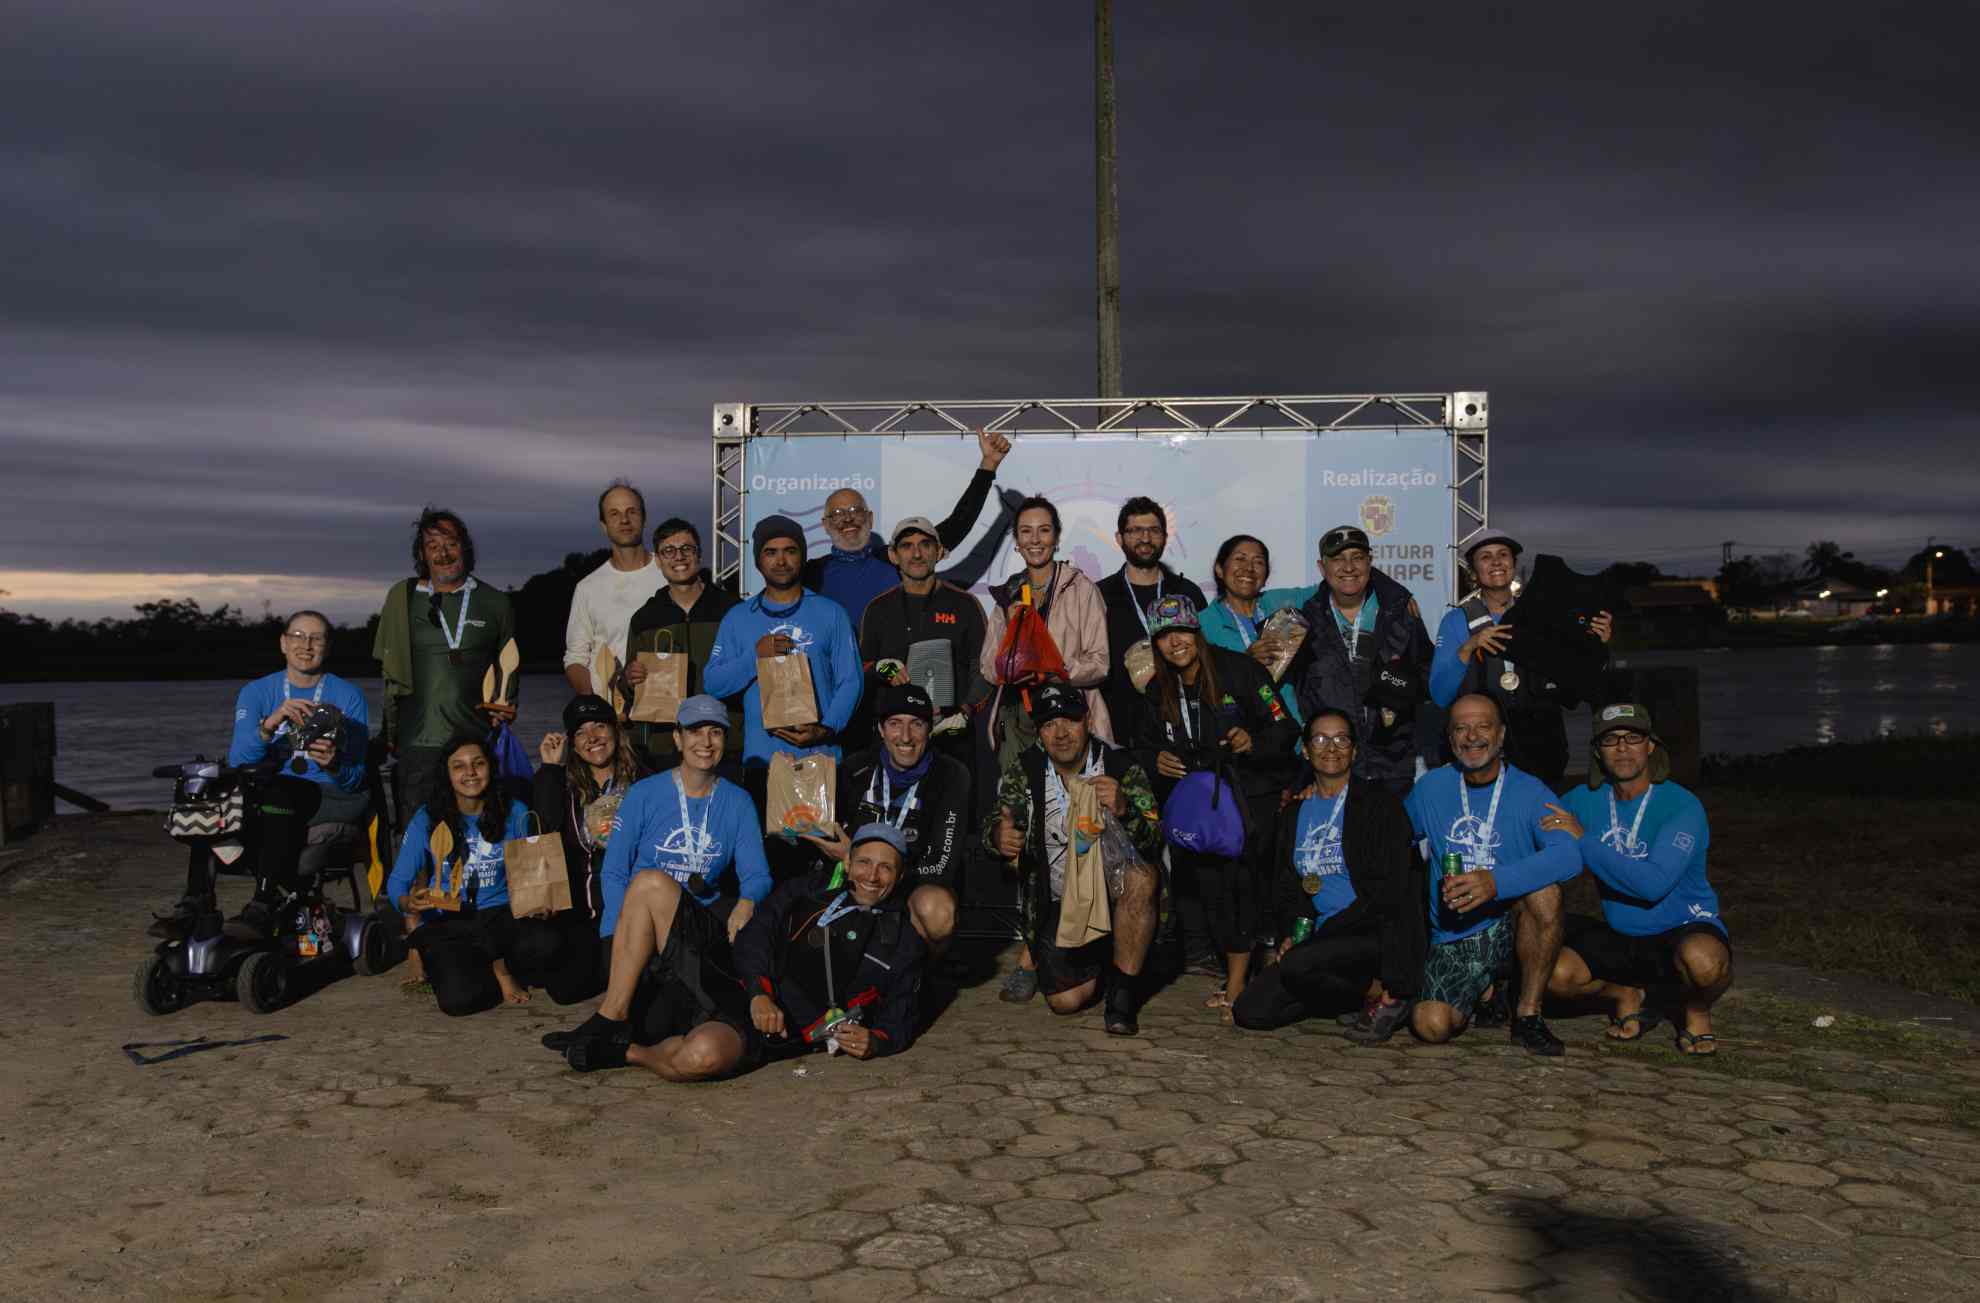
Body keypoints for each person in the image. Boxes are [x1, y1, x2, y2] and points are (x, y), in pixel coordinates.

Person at [548, 822, 926, 1077]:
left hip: (773, 1026)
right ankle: (610, 1019)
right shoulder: (810, 889)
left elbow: (904, 1010)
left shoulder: (902, 939)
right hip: (734, 979)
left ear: (899, 876)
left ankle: (624, 1052)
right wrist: (759, 992)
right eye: (864, 862)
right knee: (650, 883)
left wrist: (877, 1042)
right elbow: (755, 934)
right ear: (848, 862)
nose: (871, 876)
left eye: (885, 868)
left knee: (700, 1057)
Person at [153, 611, 372, 941]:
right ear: (283, 643)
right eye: (298, 636)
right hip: (268, 788)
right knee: (209, 793)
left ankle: (264, 902)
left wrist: (334, 764)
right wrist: (270, 724)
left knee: (278, 791)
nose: (306, 645)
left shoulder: (348, 696)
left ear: (327, 647)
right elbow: (241, 760)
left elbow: (355, 779)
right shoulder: (256, 692)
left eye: (316, 638)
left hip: (328, 791)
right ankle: (195, 902)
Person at [1134, 597, 1295, 1017]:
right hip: (1198, 805)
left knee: (1242, 884)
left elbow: (1285, 727)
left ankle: (1239, 983)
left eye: (1182, 632)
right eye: (1164, 636)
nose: (1175, 642)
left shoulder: (1241, 670)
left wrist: (1253, 741)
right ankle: (1238, 971)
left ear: (1197, 632)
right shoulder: (1157, 689)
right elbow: (1143, 744)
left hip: (1247, 795)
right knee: (1211, 889)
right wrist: (1154, 758)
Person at [1546, 704, 1731, 1055]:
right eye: (1610, 740)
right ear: (1597, 751)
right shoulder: (1582, 800)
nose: (1622, 748)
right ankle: (1625, 994)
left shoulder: (1681, 805)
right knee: (1553, 974)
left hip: (1682, 928)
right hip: (1621, 934)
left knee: (1704, 961)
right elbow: (1532, 825)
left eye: (1633, 738)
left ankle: (1695, 1010)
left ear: (1650, 746)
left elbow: (1652, 885)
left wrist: (1582, 838)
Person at [1405, 694, 1582, 1056]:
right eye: (1461, 728)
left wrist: (1495, 882)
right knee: (1430, 1025)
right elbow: (1391, 836)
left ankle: (1528, 1015)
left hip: (1512, 924)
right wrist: (1323, 798)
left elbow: (1569, 855)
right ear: (1450, 738)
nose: (1472, 736)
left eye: (1483, 726)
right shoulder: (1430, 788)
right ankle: (1487, 991)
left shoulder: (1531, 791)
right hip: (1456, 932)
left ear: (1501, 735)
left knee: (1545, 893)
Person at [1233, 711, 1425, 1042]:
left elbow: (1390, 891)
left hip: (1372, 932)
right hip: (1321, 938)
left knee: (1298, 964)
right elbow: (1288, 887)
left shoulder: (1380, 805)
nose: (1331, 747)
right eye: (1320, 739)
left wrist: (1319, 937)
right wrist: (1293, 932)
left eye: (1342, 739)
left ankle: (1387, 989)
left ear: (1355, 751)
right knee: (1251, 1011)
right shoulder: (1294, 812)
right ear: (1306, 751)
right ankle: (1352, 996)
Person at [985, 683, 1162, 1033]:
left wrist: (1125, 809)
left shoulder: (1120, 764)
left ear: (1088, 721)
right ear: (1039, 732)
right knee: (1065, 1002)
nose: (1061, 733)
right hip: (1061, 903)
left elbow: (1155, 838)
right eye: (1049, 724)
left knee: (1142, 877)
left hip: (1115, 896)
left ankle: (1123, 995)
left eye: (1070, 720)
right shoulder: (1026, 769)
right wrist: (998, 838)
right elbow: (995, 822)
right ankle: (1105, 958)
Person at [1428, 534, 1613, 789]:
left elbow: (1578, 691)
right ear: (1473, 572)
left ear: (1514, 565)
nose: (1496, 562)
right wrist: (1470, 646)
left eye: (1503, 555)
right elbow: (1440, 695)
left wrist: (1596, 646)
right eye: (1485, 557)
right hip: (1480, 746)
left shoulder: (1546, 614)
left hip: (1540, 747)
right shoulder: (1457, 621)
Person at [807, 683, 971, 962]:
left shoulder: (952, 775)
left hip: (914, 882)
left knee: (937, 910)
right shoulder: (855, 768)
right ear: (881, 729)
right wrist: (793, 779)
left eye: (916, 724)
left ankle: (922, 973)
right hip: (859, 878)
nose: (905, 736)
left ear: (929, 729)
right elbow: (819, 831)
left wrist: (886, 872)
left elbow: (943, 866)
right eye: (895, 723)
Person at [372, 508, 518, 822]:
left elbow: (509, 672)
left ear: (465, 547)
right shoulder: (403, 598)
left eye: (451, 543)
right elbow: (390, 675)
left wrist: (506, 706)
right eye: (433, 546)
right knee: (418, 836)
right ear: (422, 554)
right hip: (418, 743)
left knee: (477, 833)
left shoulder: (496, 602)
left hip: (475, 744)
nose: (443, 553)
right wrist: (389, 734)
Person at [593, 694, 772, 946]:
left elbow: (757, 876)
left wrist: (747, 902)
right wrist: (620, 929)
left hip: (698, 920)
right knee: (650, 884)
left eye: (715, 732)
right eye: (695, 731)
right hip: (638, 920)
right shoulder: (643, 794)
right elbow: (614, 872)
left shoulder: (739, 802)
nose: (706, 742)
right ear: (678, 738)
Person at [384, 733, 536, 1016]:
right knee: (458, 1002)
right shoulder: (427, 818)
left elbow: (529, 877)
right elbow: (398, 881)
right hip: (450, 917)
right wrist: (408, 903)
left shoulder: (515, 812)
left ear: (491, 767)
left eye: (478, 763)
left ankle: (501, 966)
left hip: (501, 913)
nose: (470, 772)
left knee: (545, 946)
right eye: (459, 766)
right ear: (447, 774)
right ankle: (467, 961)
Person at [702, 515, 864, 777]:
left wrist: (826, 729)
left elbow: (851, 681)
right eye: (770, 552)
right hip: (762, 761)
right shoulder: (738, 617)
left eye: (790, 551)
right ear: (758, 560)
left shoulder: (831, 613)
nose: (780, 561)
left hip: (821, 758)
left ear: (802, 556)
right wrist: (755, 657)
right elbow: (713, 683)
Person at [803, 428, 1015, 628]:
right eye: (837, 513)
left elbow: (957, 524)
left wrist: (988, 465)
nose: (848, 519)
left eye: (855, 511)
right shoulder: (811, 573)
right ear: (826, 524)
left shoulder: (896, 558)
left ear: (870, 518)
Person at [522, 694, 649, 1004]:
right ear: (573, 744)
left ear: (616, 730)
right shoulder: (565, 785)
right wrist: (550, 768)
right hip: (585, 912)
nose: (592, 737)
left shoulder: (644, 780)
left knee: (634, 979)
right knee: (566, 990)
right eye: (580, 732)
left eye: (599, 726)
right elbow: (543, 830)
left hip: (634, 911)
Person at [1293, 525, 1432, 798]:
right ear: (1322, 567)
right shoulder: (1305, 622)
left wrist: (1399, 693)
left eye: (1357, 557)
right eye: (1338, 559)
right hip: (1329, 768)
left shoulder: (1400, 614)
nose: (1348, 567)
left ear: (1370, 562)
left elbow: (1427, 674)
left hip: (1392, 767)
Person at [858, 512, 989, 774]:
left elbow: (985, 669)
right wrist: (880, 668)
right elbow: (860, 669)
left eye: (925, 545)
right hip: (897, 742)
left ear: (939, 552)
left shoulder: (965, 605)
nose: (916, 554)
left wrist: (965, 712)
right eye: (907, 546)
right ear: (893, 555)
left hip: (952, 739)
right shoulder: (877, 609)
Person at [622, 516, 742, 772]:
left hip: (724, 745)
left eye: (687, 548)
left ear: (699, 555)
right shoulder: (645, 619)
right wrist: (629, 679)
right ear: (658, 560)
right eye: (668, 550)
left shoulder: (732, 611)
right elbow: (628, 689)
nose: (679, 556)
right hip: (664, 747)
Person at [1096, 496, 1209, 733]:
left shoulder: (1187, 592)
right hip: (1121, 726)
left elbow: (1208, 657)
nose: (1145, 538)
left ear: (1165, 537)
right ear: (1119, 538)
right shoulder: (1099, 595)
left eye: (1154, 530)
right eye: (1136, 530)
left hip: (1185, 723)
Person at [1197, 533, 1312, 725]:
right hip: (1240, 732)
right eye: (1239, 559)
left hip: (1291, 728)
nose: (1249, 568)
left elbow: (1335, 586)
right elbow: (1198, 687)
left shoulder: (1281, 602)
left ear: (1266, 576)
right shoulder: (1202, 624)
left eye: (1258, 562)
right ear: (1219, 569)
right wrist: (1245, 665)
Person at [563, 481, 663, 698]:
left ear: (644, 518)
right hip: (608, 711)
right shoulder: (587, 588)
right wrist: (592, 704)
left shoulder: (668, 575)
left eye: (632, 511)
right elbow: (575, 658)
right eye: (614, 514)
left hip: (662, 704)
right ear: (604, 524)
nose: (624, 520)